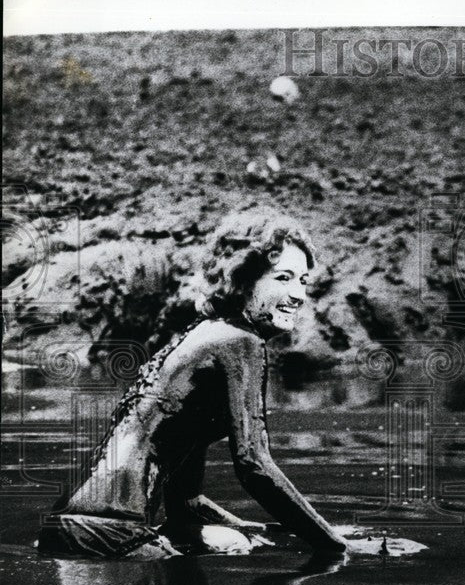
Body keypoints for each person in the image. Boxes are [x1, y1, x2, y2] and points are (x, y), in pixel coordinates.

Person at [37, 207, 348, 559]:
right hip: (111, 532)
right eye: (283, 278)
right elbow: (255, 466)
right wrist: (338, 547)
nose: (298, 295)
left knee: (235, 543)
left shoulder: (206, 335)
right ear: (242, 279)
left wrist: (270, 534)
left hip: (68, 528)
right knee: (239, 549)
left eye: (303, 281)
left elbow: (186, 504)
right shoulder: (239, 340)